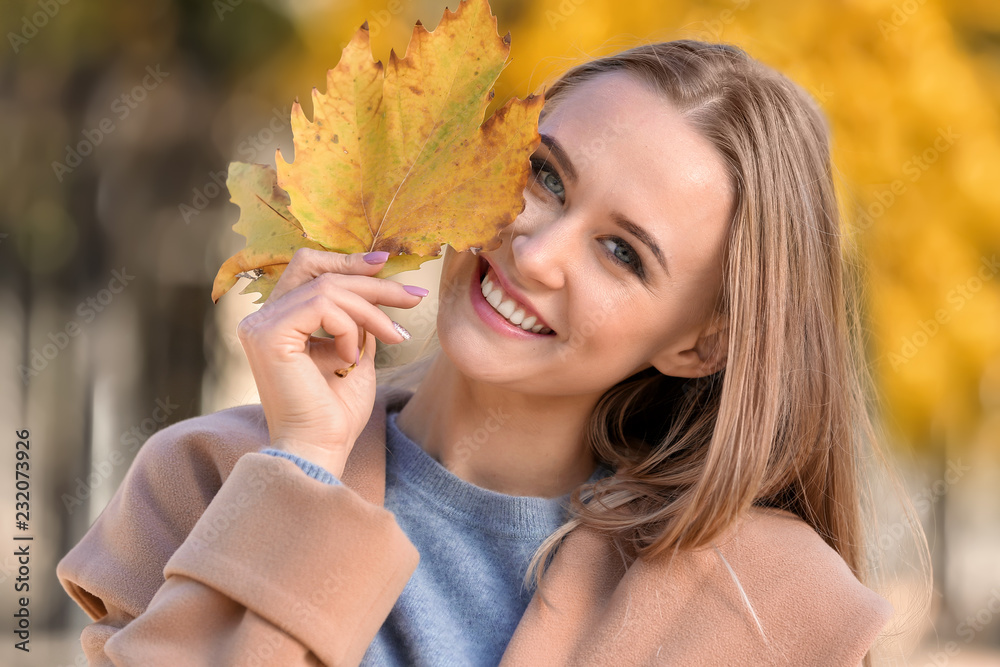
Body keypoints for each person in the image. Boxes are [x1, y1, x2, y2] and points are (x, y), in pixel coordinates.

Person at [57, 39, 918, 666]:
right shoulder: (208, 480)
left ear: (700, 344)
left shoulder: (769, 607)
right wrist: (305, 470)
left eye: (622, 252)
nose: (535, 251)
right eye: (545, 174)